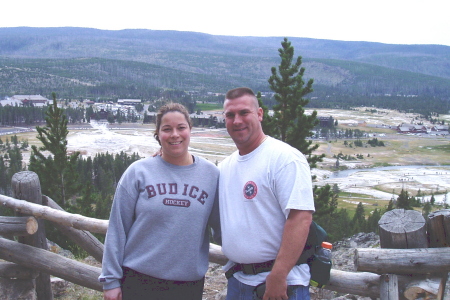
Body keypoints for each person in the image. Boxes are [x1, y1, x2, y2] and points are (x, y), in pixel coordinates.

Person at [99, 102, 221, 300]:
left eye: (181, 127)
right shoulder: (138, 172)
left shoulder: (211, 175)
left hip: (188, 285)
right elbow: (117, 228)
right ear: (158, 134)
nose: (175, 134)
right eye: (167, 129)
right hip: (139, 281)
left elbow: (223, 228)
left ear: (190, 129)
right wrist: (110, 280)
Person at [219, 87, 315, 300]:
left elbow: (301, 219)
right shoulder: (226, 167)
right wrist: (165, 157)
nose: (237, 121)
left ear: (260, 114)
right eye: (230, 115)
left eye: (244, 113)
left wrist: (278, 275)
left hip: (280, 285)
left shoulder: (284, 159)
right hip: (239, 281)